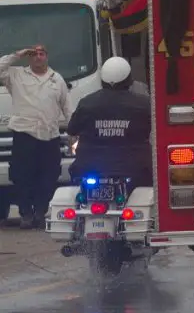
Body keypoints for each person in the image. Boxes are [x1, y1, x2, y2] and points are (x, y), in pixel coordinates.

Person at [0, 46, 73, 229]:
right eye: (34, 54)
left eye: (41, 54)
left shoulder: (56, 79)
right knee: (22, 177)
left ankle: (40, 212)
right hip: (24, 134)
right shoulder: (16, 75)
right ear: (28, 58)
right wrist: (18, 55)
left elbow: (67, 107)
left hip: (50, 135)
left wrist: (73, 131)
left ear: (47, 57)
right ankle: (26, 214)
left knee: (48, 177)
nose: (38, 57)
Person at [67, 57, 153, 188]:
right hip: (136, 170)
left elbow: (72, 129)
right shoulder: (144, 104)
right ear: (129, 80)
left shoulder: (86, 103)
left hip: (88, 168)